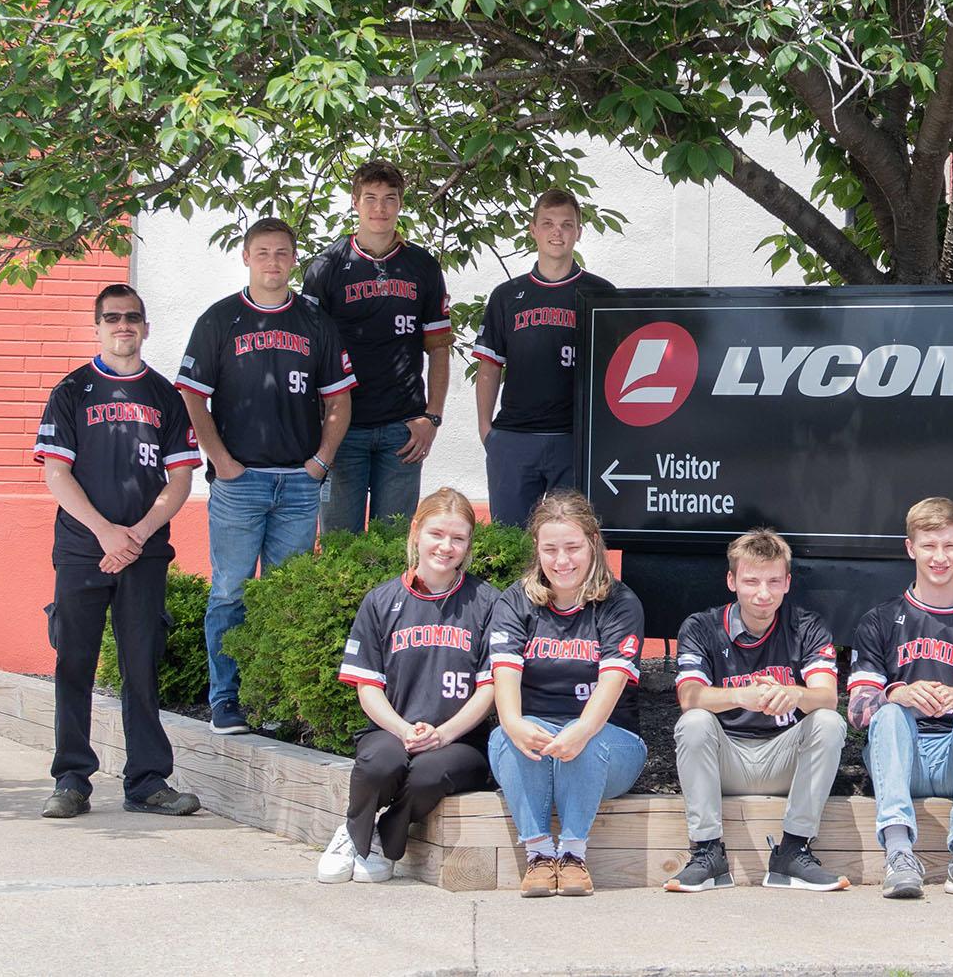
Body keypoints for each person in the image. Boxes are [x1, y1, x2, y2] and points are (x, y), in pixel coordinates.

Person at [177, 217, 355, 734]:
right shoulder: (221, 320)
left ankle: (272, 701)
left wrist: (321, 460)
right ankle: (225, 700)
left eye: (282, 253)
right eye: (263, 253)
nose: (273, 262)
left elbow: (339, 398)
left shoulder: (314, 322)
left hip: (299, 485)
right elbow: (192, 394)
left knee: (284, 596)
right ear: (246, 257)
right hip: (240, 482)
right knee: (230, 592)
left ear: (293, 260)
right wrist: (222, 461)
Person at [33, 284, 204, 819]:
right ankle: (71, 781)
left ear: (146, 327)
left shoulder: (164, 396)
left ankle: (148, 782)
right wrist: (107, 532)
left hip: (145, 553)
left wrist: (138, 535)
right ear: (98, 326)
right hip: (84, 550)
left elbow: (179, 481)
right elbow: (56, 476)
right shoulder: (72, 390)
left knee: (142, 665)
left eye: (132, 317)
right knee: (74, 662)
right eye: (112, 318)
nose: (123, 325)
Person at [324, 488, 499, 883]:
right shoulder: (381, 601)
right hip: (392, 729)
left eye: (458, 538)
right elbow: (367, 686)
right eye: (437, 534)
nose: (446, 546)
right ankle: (353, 834)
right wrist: (403, 730)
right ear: (416, 532)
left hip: (460, 742)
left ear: (469, 544)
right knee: (382, 762)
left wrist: (443, 734)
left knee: (427, 775)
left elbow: (490, 689)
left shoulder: (488, 602)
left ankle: (383, 840)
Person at [847, 497, 953, 900]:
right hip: (898, 759)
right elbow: (857, 710)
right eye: (929, 546)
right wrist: (899, 693)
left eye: (949, 546)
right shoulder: (880, 620)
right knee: (888, 715)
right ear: (910, 548)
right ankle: (899, 854)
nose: (939, 557)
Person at [666, 528, 848, 893]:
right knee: (695, 722)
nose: (763, 593)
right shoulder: (701, 627)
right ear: (731, 580)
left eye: (773, 581)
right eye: (751, 581)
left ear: (787, 582)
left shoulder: (807, 627)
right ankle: (707, 853)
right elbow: (689, 696)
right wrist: (741, 697)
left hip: (783, 758)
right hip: (725, 759)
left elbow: (828, 698)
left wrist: (794, 694)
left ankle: (793, 852)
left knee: (828, 722)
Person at [487, 491, 649, 897]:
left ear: (593, 542)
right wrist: (514, 724)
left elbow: (608, 693)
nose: (562, 561)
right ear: (537, 551)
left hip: (611, 742)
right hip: (538, 743)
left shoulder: (620, 603)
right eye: (550, 549)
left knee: (585, 736)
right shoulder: (515, 601)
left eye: (573, 547)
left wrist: (579, 732)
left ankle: (574, 854)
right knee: (505, 737)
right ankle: (540, 856)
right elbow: (505, 687)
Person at [301, 160, 452, 532]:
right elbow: (308, 353)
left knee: (393, 546)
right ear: (355, 203)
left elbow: (438, 349)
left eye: (389, 198)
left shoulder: (423, 266)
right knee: (340, 545)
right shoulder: (326, 266)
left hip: (403, 428)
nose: (380, 208)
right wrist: (316, 423)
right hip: (342, 427)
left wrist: (431, 417)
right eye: (370, 198)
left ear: (400, 204)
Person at [473, 189, 611, 526]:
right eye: (548, 223)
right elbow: (489, 367)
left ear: (579, 231)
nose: (557, 232)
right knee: (510, 539)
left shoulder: (601, 293)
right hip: (514, 437)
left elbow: (614, 372)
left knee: (573, 538)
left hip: (574, 438)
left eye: (567, 224)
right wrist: (486, 430)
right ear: (533, 230)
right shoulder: (507, 296)